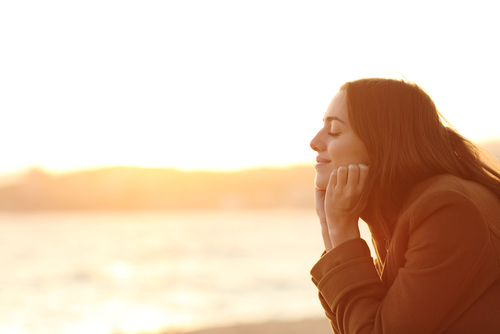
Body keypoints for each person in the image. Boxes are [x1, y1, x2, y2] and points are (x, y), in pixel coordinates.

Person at [309, 78, 500, 334]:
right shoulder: (398, 214)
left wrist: (342, 228)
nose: (314, 142)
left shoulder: (448, 210)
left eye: (334, 131)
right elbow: (351, 324)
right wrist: (329, 224)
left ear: (381, 140)